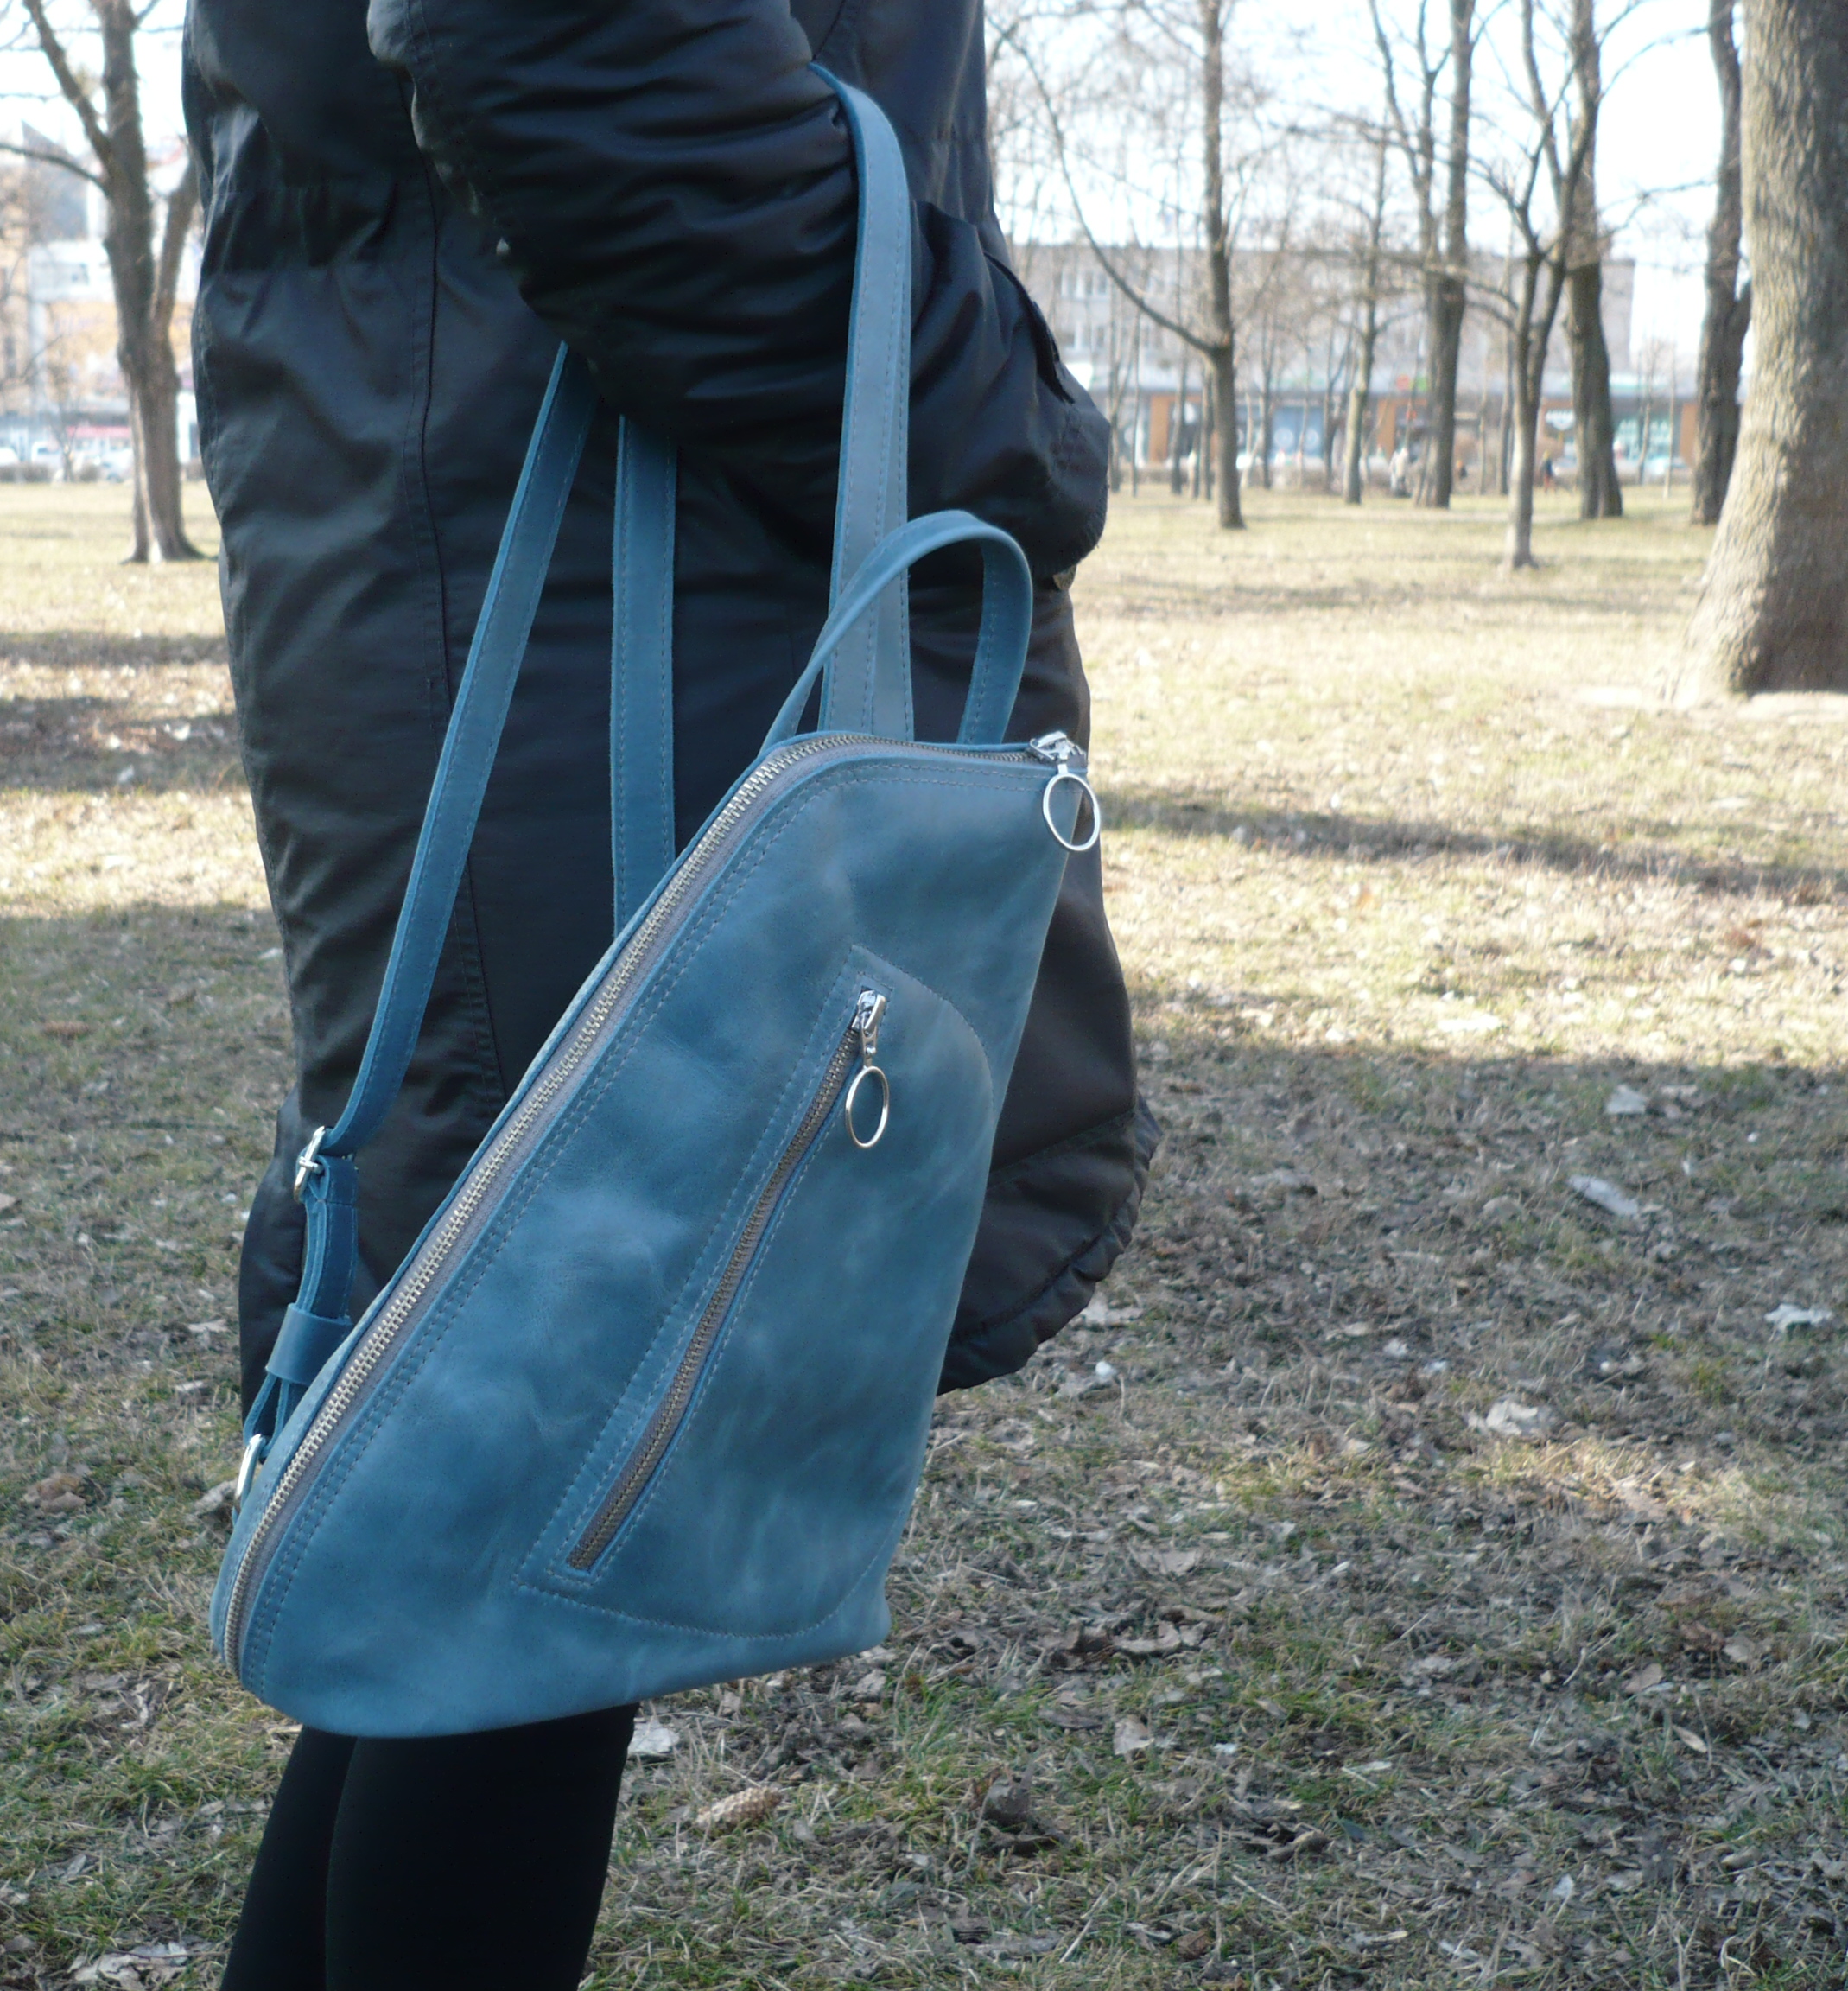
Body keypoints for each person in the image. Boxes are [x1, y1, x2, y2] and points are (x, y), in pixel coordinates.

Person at [183, 0, 1157, 1982]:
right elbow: (570, 44)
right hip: (591, 607)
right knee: (518, 1555)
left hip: (506, 561)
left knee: (481, 1532)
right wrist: (1011, 421)